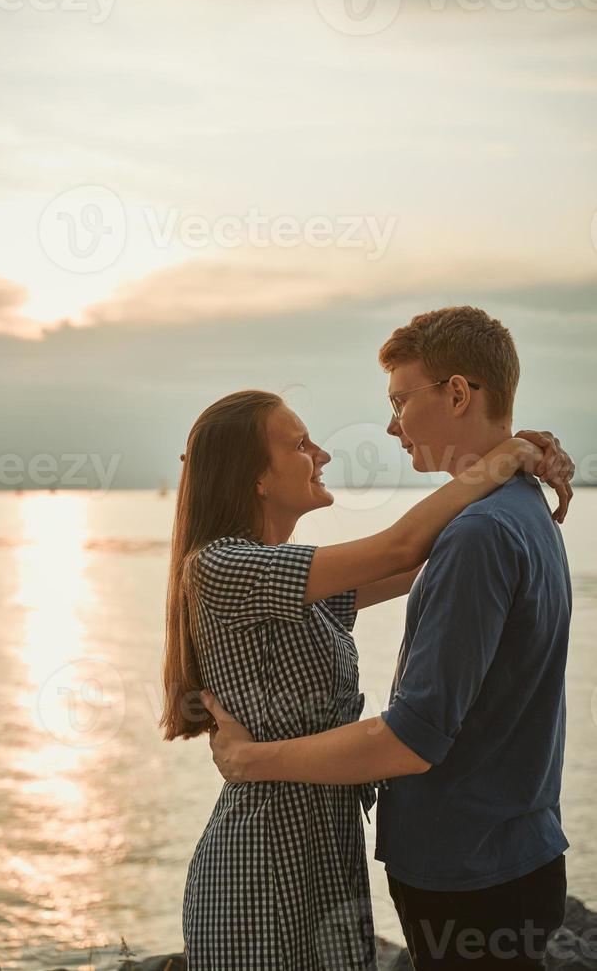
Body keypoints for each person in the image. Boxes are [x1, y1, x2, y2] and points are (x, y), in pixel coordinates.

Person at [201, 306, 574, 970]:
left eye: (400, 400)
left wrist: (251, 760)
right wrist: (511, 454)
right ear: (252, 474)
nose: (389, 424)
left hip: (463, 868)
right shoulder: (517, 516)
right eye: (299, 446)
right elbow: (403, 552)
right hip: (321, 859)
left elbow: (413, 731)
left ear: (457, 393)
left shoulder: (482, 533)